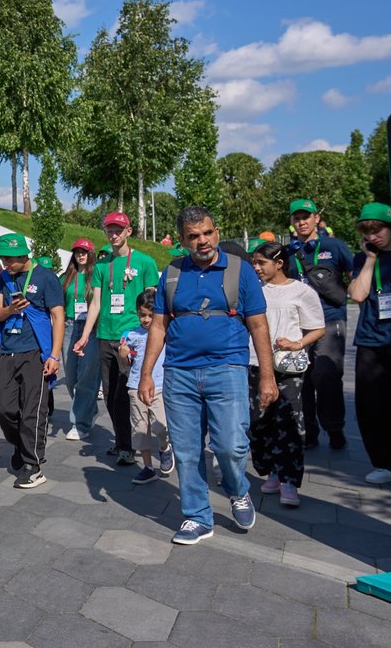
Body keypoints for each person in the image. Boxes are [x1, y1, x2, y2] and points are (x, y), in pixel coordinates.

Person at [137, 206, 277, 545]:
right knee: (186, 450)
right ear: (183, 241)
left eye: (208, 233)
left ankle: (237, 489)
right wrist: (146, 373)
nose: (203, 241)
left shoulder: (240, 271)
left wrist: (267, 376)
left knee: (230, 445)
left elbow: (258, 324)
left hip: (227, 369)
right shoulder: (171, 273)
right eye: (194, 237)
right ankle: (197, 516)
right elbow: (158, 324)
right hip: (179, 373)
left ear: (216, 232)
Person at [73, 211, 160, 466]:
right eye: (109, 230)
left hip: (133, 336)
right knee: (111, 394)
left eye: (118, 230)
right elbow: (97, 303)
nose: (113, 235)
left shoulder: (144, 263)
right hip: (105, 335)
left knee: (127, 392)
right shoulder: (101, 265)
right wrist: (85, 336)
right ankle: (125, 440)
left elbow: (152, 302)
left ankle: (129, 445)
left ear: (128, 232)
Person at [248, 241, 326, 506]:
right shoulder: (254, 290)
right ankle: (270, 470)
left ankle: (289, 480)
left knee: (288, 422)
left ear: (279, 263)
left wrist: (297, 343)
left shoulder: (301, 291)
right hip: (255, 364)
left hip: (287, 367)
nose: (256, 267)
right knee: (259, 422)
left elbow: (317, 328)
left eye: (261, 262)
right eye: (254, 262)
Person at [0, 233, 65, 488]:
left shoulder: (46, 276)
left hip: (35, 353)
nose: (6, 263)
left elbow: (58, 316)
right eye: (3, 259)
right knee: (1, 406)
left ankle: (33, 465)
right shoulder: (3, 278)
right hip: (7, 351)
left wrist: (54, 355)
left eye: (11, 259)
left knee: (34, 410)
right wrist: (11, 309)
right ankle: (22, 444)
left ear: (24, 256)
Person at [288, 198, 354, 450]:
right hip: (300, 323)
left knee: (326, 374)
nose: (302, 221)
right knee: (301, 377)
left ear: (316, 218)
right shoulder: (290, 251)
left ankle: (334, 428)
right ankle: (309, 431)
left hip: (330, 318)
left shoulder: (334, 246)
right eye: (297, 218)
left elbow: (352, 274)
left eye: (306, 216)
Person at [347, 202, 391, 485]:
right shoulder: (363, 260)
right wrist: (369, 260)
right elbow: (358, 295)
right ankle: (387, 462)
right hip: (372, 340)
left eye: (378, 230)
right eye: (367, 232)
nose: (373, 237)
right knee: (372, 407)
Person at [122, 289, 172, 483]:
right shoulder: (132, 334)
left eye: (151, 315)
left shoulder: (165, 332)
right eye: (142, 315)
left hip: (159, 385)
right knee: (140, 428)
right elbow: (126, 360)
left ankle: (165, 448)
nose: (146, 319)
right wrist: (123, 352)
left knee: (162, 425)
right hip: (135, 385)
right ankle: (148, 467)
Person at [60, 239, 100, 441]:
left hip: (90, 329)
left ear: (90, 254)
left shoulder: (97, 275)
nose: (80, 255)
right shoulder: (67, 277)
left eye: (84, 252)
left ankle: (80, 423)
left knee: (86, 376)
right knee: (70, 375)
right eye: (77, 252)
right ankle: (88, 408)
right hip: (69, 326)